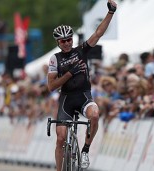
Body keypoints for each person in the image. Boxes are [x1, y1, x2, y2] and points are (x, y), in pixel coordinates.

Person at [47, 1, 117, 170]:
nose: (66, 43)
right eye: (63, 41)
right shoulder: (55, 59)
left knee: (94, 115)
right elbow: (51, 86)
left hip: (84, 95)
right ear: (58, 42)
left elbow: (98, 33)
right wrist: (70, 73)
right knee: (61, 138)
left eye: (69, 39)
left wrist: (111, 12)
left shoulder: (81, 51)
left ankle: (85, 150)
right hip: (66, 100)